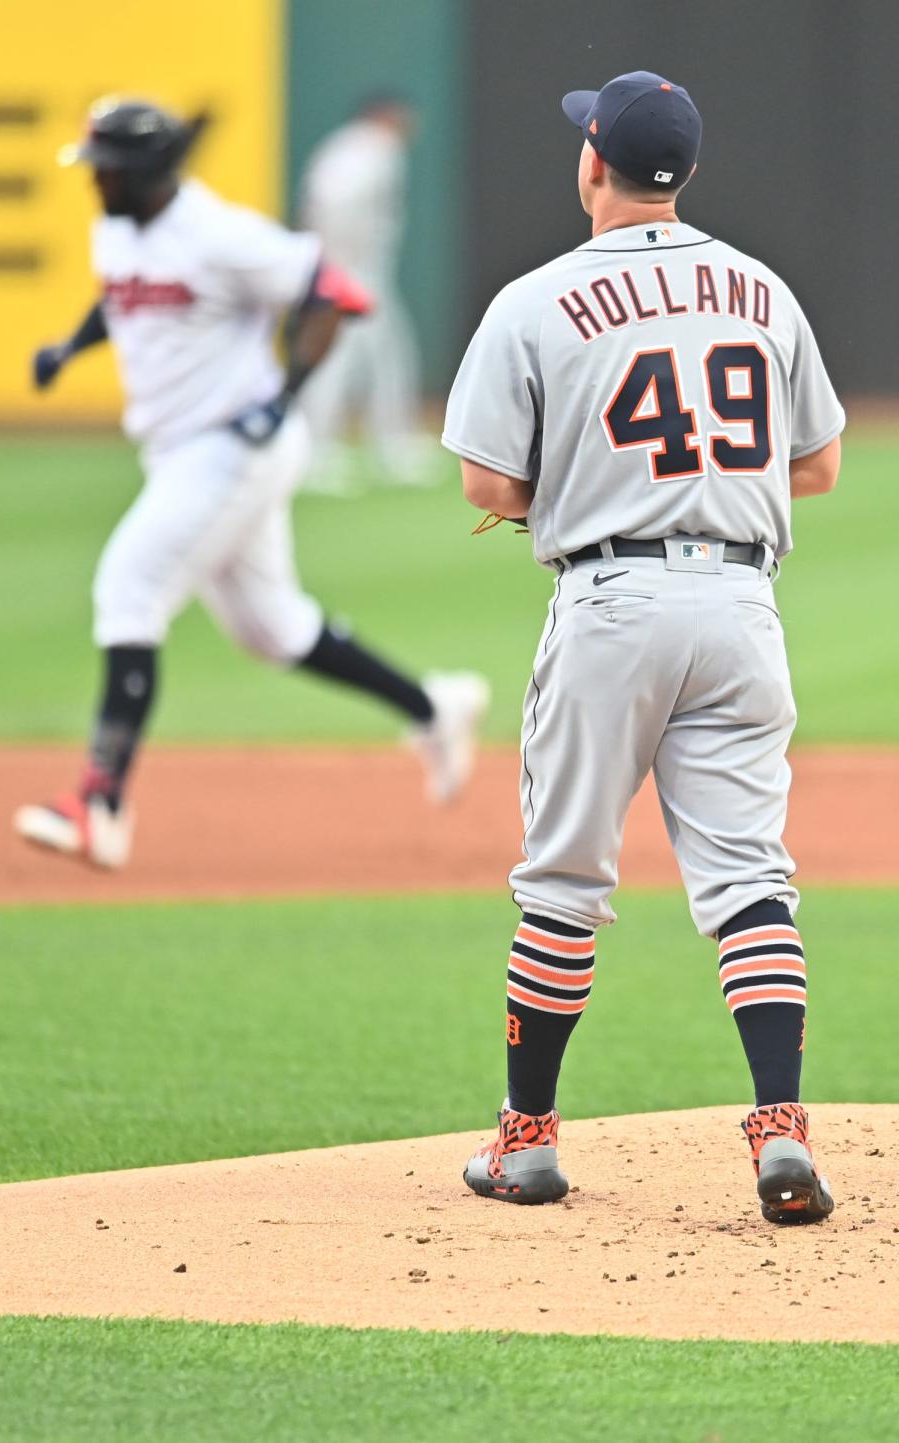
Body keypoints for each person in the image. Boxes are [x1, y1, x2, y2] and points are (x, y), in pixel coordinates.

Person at [442, 72, 844, 1223]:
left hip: (611, 600)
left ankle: (525, 1143)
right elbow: (812, 466)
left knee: (564, 878)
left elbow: (489, 481)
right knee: (752, 881)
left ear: (592, 164)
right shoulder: (760, 289)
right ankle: (780, 1132)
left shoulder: (534, 299)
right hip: (741, 606)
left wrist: (579, 487)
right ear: (688, 176)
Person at [15, 97, 488, 869]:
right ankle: (435, 707)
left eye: (105, 170)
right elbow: (119, 293)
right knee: (273, 627)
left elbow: (334, 293)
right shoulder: (120, 227)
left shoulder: (220, 235)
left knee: (128, 584)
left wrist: (284, 394)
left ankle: (98, 804)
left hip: (232, 443)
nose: (93, 182)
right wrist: (68, 349)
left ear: (142, 173)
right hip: (177, 449)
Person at [296, 95, 427, 488]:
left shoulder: (350, 146)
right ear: (385, 115)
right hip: (352, 270)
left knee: (387, 355)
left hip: (355, 269)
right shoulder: (371, 147)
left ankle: (392, 446)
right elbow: (332, 203)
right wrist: (343, 267)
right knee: (338, 356)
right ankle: (317, 451)